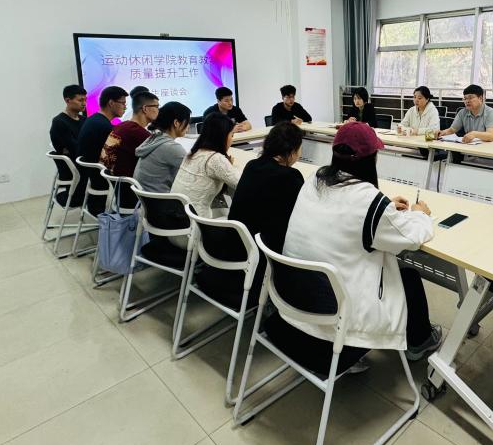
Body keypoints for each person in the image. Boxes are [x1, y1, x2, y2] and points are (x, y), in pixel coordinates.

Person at [268, 121, 443, 375]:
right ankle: (420, 342)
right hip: (335, 320)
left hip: (293, 301)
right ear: (371, 160)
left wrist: (384, 207)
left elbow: (344, 212)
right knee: (408, 277)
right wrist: (420, 213)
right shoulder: (369, 202)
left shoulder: (314, 179)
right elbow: (413, 237)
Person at [193, 122, 306, 308]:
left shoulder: (252, 165)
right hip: (262, 257)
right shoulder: (291, 176)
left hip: (235, 248)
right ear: (292, 150)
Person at [171, 113, 241, 220]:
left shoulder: (193, 152)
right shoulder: (215, 159)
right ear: (222, 136)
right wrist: (231, 167)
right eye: (232, 135)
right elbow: (242, 184)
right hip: (196, 224)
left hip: (175, 218)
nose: (232, 140)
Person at [76, 86, 128, 212]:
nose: (125, 107)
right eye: (122, 103)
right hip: (100, 175)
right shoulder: (104, 126)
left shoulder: (93, 119)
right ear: (111, 103)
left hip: (91, 174)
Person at [134, 102, 191, 193]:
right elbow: (194, 172)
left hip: (147, 198)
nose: (188, 126)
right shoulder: (170, 147)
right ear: (176, 123)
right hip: (162, 198)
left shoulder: (153, 139)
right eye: (187, 122)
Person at [101, 91, 159, 178]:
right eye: (157, 107)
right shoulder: (137, 132)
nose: (158, 110)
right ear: (145, 109)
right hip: (123, 182)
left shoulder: (123, 125)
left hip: (109, 178)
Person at [50, 84, 87, 159]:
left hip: (85, 158)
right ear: (68, 100)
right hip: (78, 162)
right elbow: (74, 149)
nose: (84, 103)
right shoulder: (59, 122)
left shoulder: (84, 119)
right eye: (80, 100)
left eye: (85, 100)